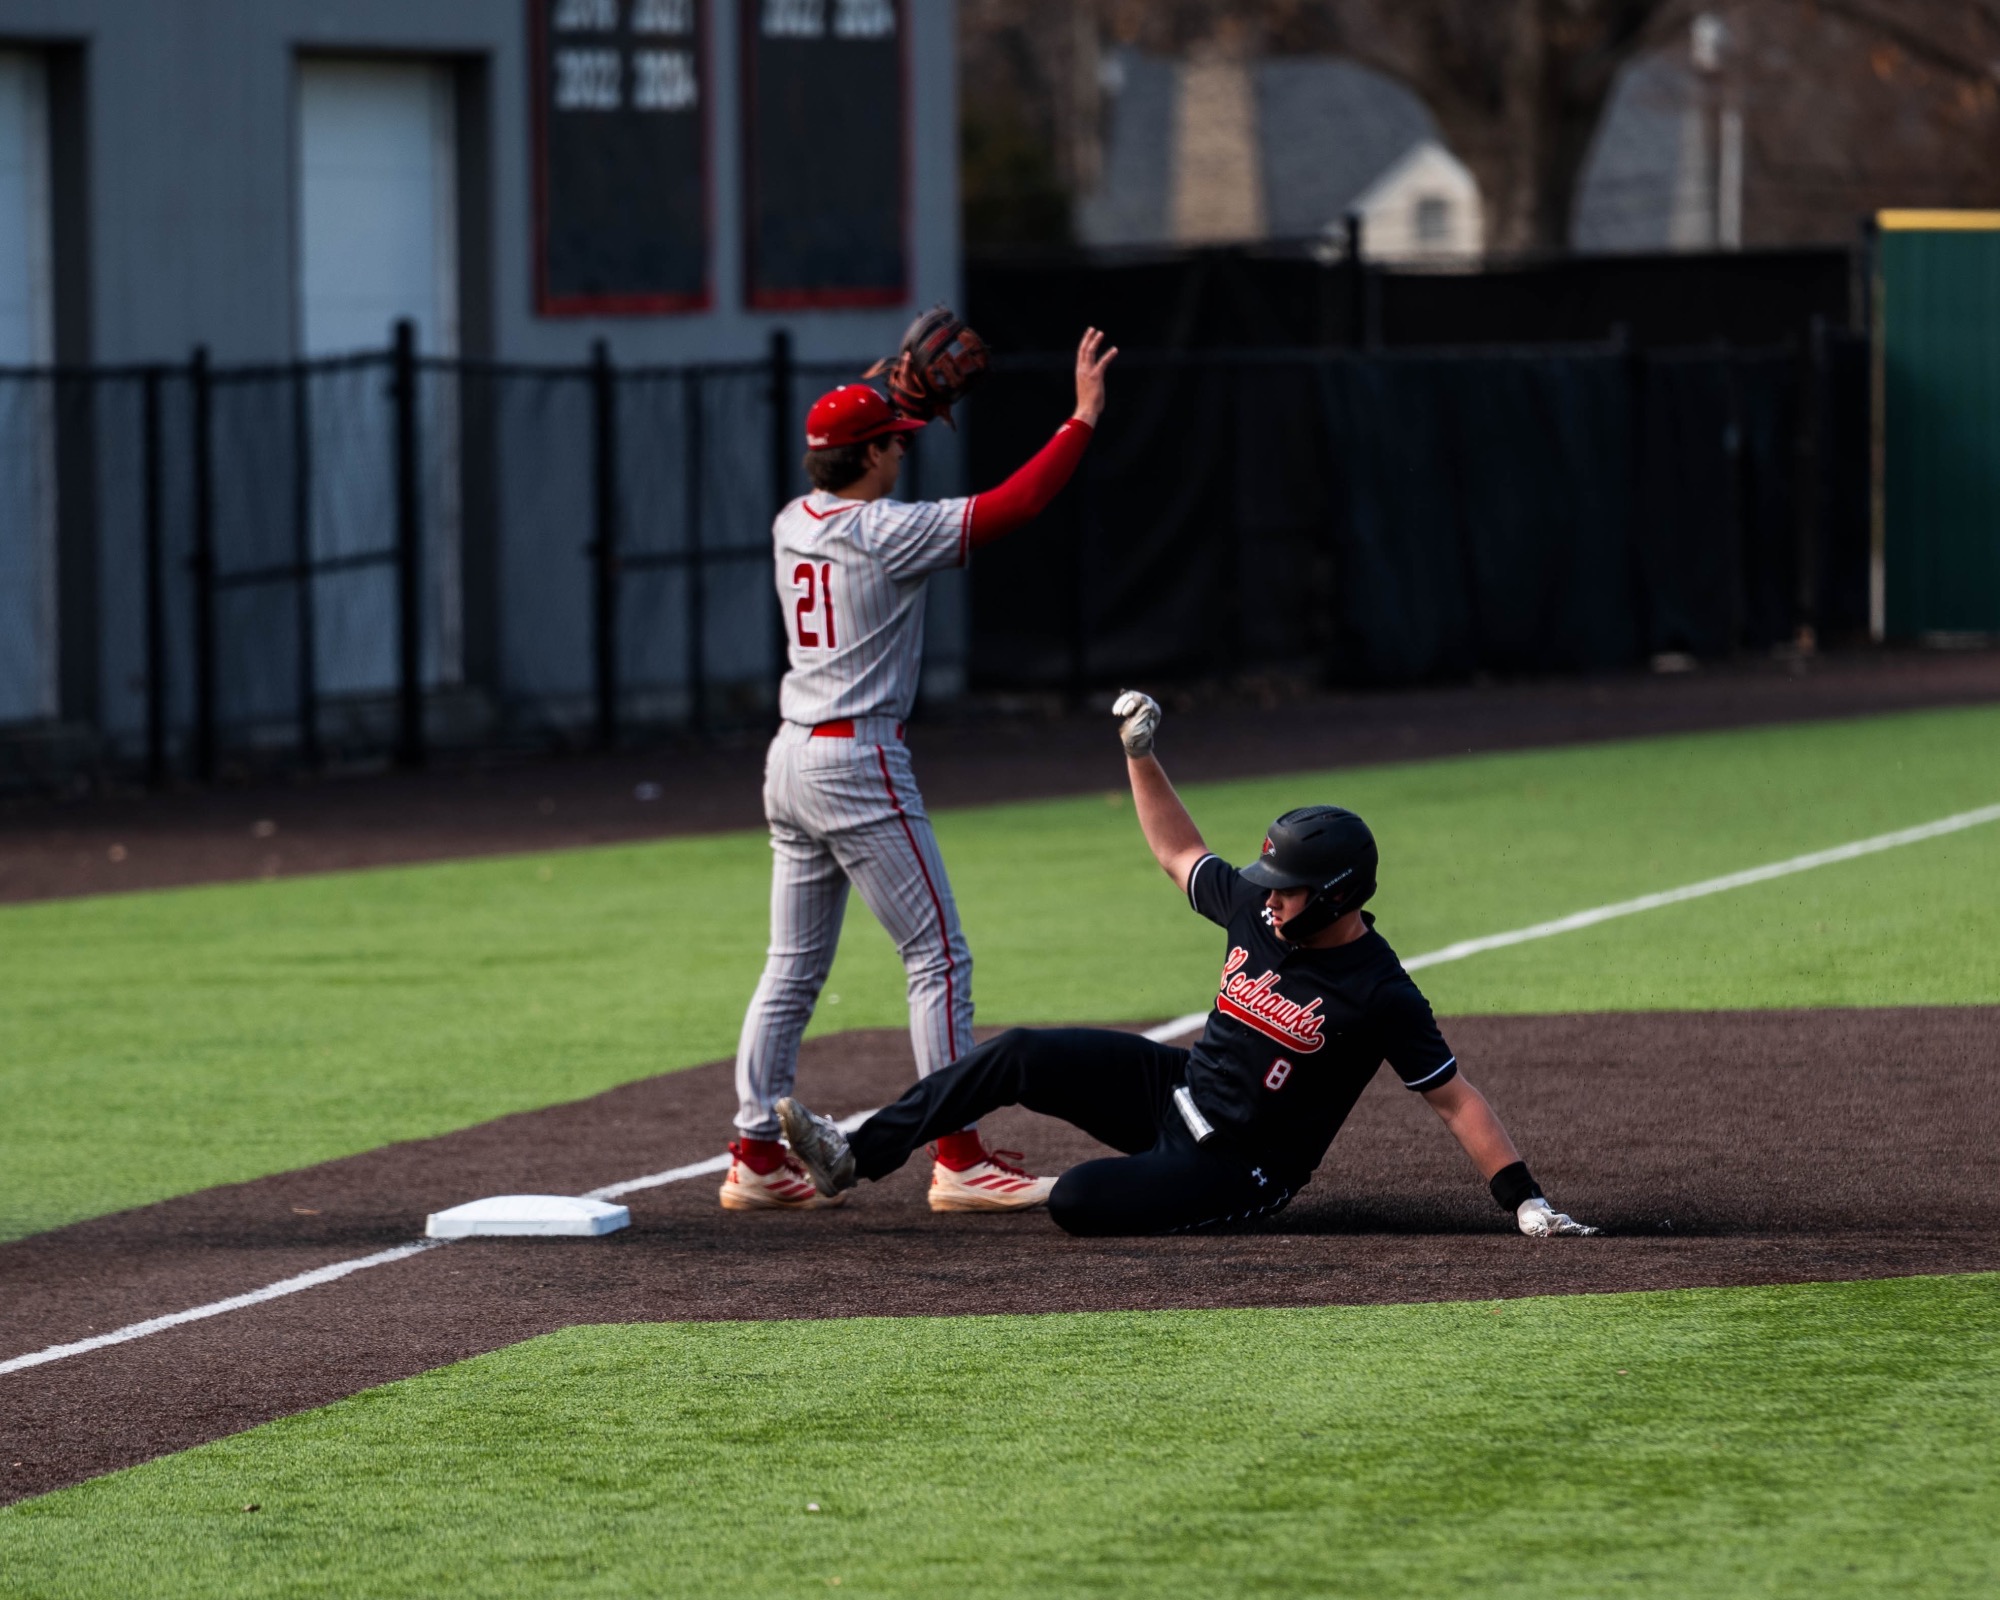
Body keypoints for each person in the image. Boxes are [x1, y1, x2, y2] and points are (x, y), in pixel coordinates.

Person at [776, 691, 1599, 1239]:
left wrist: (1524, 1202)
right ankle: (855, 1154)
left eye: (1288, 888)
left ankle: (1154, 1184)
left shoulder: (1378, 990)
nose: (1269, 898)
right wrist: (1140, 753)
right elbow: (1179, 852)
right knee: (1022, 1050)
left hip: (1239, 1166)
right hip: (1177, 1090)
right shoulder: (1257, 912)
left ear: (1339, 894)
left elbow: (1454, 1101)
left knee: (1076, 1202)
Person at [720, 328, 1120, 1213]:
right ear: (866, 456)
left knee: (790, 965)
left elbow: (845, 445)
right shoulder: (885, 533)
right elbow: (1015, 504)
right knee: (938, 954)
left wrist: (881, 395)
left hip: (789, 758)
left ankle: (753, 1153)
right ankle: (960, 1155)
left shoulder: (795, 518)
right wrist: (1083, 417)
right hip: (857, 763)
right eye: (894, 440)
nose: (904, 448)